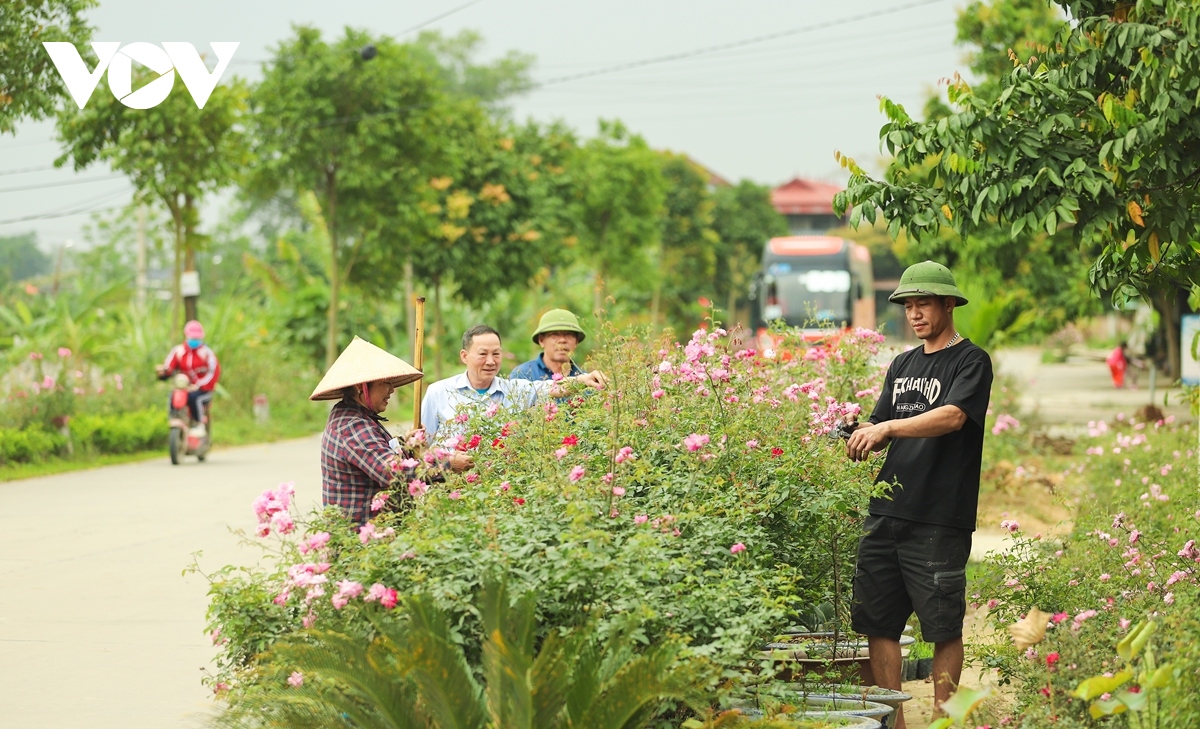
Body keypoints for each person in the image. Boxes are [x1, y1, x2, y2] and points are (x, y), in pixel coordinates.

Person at [843, 261, 993, 729]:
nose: (915, 314)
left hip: (939, 515)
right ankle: (894, 722)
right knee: (877, 621)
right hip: (887, 509)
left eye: (923, 303)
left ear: (949, 303)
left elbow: (952, 417)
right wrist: (858, 431)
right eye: (908, 305)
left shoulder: (971, 360)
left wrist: (887, 425)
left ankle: (943, 720)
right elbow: (881, 425)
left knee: (942, 626)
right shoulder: (903, 364)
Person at [311, 336, 471, 526]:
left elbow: (381, 454)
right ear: (360, 387)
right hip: (361, 542)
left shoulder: (358, 416)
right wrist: (448, 463)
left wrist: (407, 445)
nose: (392, 390)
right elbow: (395, 473)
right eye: (386, 383)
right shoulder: (351, 426)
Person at [421, 324, 608, 441]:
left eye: (496, 353)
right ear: (464, 356)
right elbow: (422, 446)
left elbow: (552, 387)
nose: (490, 361)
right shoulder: (439, 392)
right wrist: (448, 463)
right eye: (483, 354)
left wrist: (582, 379)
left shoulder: (514, 390)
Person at [156, 320, 220, 433]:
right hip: (184, 386)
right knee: (174, 395)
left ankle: (199, 425)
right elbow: (169, 367)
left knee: (194, 398)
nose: (194, 340)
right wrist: (163, 372)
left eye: (196, 338)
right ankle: (174, 419)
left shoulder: (206, 353)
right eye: (192, 338)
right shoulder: (178, 351)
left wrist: (199, 385)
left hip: (203, 390)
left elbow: (213, 372)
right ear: (186, 336)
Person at [510, 308, 587, 381]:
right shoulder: (523, 375)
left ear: (576, 341)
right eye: (554, 334)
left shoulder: (585, 379)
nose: (562, 340)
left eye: (569, 334)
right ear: (541, 340)